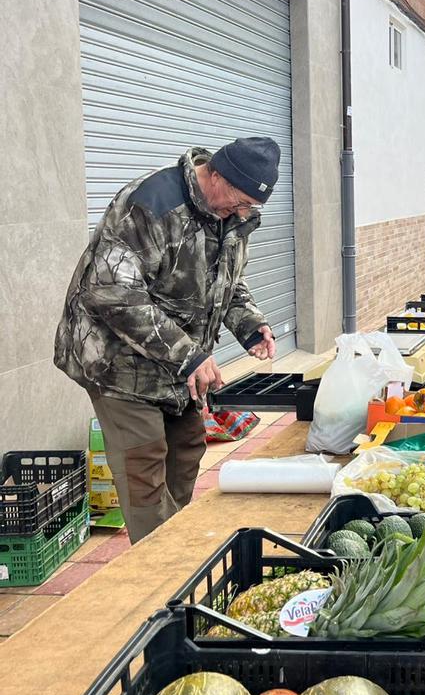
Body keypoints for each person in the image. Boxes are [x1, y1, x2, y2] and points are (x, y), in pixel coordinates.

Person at [55, 139, 281, 543]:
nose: (242, 212)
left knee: (188, 449)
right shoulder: (149, 206)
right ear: (214, 173)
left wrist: (249, 324)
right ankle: (161, 571)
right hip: (117, 363)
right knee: (145, 468)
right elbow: (112, 293)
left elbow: (225, 282)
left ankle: (172, 549)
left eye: (251, 206)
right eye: (238, 201)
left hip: (176, 366)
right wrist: (188, 356)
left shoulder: (232, 214)